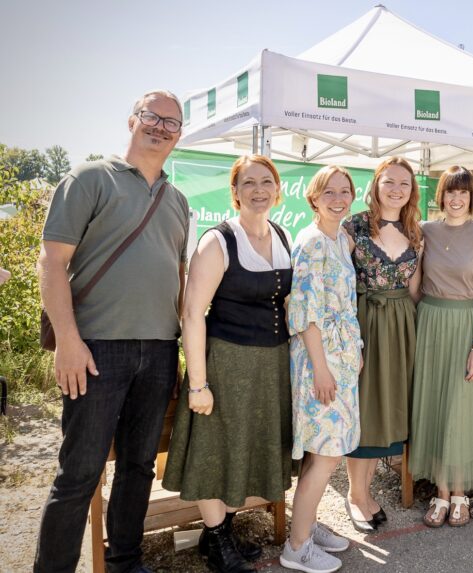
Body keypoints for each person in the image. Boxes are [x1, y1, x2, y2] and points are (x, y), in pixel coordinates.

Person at [35, 90, 190, 572]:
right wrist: (67, 340)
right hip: (96, 349)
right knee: (79, 475)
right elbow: (51, 262)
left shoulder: (177, 199)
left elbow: (179, 277)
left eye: (172, 123)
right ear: (132, 120)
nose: (161, 127)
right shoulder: (88, 178)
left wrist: (187, 352)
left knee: (140, 467)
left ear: (179, 136)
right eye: (153, 117)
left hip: (161, 350)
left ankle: (125, 561)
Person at [161, 155, 292, 572]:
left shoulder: (282, 235)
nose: (258, 190)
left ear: (277, 189)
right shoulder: (217, 241)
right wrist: (198, 383)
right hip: (227, 361)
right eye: (248, 183)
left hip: (271, 363)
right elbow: (192, 312)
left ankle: (217, 531)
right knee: (214, 449)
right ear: (234, 193)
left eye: (266, 181)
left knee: (244, 446)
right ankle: (218, 540)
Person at [281, 165, 362, 573]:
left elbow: (345, 304)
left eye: (344, 191)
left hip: (341, 356)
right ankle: (296, 547)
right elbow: (305, 311)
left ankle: (306, 526)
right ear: (313, 198)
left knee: (327, 450)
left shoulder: (342, 239)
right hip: (320, 359)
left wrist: (355, 349)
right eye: (328, 191)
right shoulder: (311, 241)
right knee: (325, 453)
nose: (337, 198)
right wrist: (320, 369)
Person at [409, 166, 473, 528]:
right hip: (430, 322)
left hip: (467, 326)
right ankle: (441, 493)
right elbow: (415, 287)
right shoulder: (425, 232)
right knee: (435, 405)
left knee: (462, 409)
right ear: (441, 196)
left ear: (472, 197)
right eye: (450, 192)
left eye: (463, 192)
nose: (457, 198)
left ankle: (461, 492)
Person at [342, 157, 422, 533]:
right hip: (365, 321)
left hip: (402, 324)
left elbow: (416, 289)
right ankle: (357, 494)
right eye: (389, 182)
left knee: (387, 409)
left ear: (412, 191)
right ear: (376, 184)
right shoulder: (353, 225)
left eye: (404, 184)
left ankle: (365, 489)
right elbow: (339, 281)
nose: (396, 190)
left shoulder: (415, 230)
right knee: (365, 409)